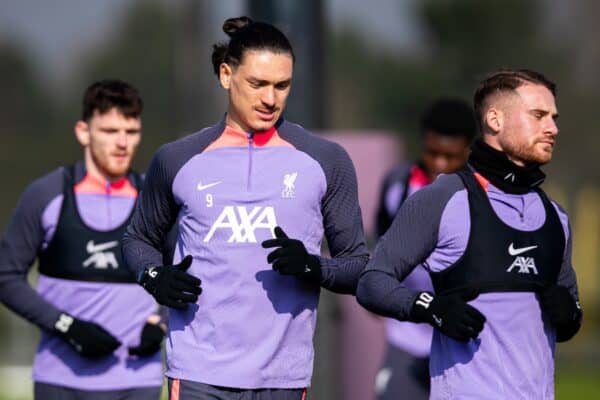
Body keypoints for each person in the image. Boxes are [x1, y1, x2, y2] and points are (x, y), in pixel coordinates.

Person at [123, 16, 369, 400]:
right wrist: (154, 275)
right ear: (226, 75)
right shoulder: (176, 159)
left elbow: (357, 265)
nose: (270, 99)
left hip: (282, 379)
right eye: (258, 84)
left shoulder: (326, 161)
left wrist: (314, 266)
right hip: (198, 374)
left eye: (282, 85)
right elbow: (138, 238)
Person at [357, 69, 582, 399]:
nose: (553, 128)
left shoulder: (556, 218)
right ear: (495, 119)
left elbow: (570, 318)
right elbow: (372, 282)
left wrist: (570, 314)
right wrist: (431, 308)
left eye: (553, 117)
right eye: (538, 115)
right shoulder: (442, 199)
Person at [0, 80, 165, 400]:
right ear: (83, 132)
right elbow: (6, 276)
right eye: (109, 131)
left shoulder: (155, 200)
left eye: (131, 132)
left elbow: (189, 273)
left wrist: (161, 323)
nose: (122, 143)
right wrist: (66, 326)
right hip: (60, 382)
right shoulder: (47, 195)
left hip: (137, 383)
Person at [373, 98, 476, 400]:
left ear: (469, 151)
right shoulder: (397, 185)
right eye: (433, 153)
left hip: (462, 342)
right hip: (407, 338)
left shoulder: (481, 196)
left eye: (451, 156)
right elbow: (379, 243)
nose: (440, 164)